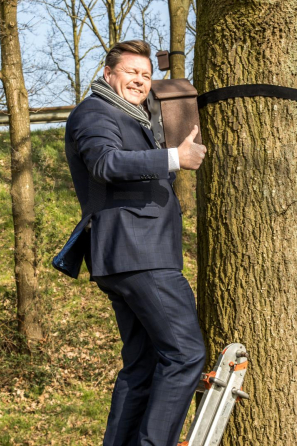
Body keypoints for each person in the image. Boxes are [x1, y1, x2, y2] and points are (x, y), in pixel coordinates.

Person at [54, 40, 208, 446]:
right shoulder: (95, 112)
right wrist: (173, 157)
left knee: (141, 367)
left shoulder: (133, 118)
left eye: (145, 74)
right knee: (185, 355)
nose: (140, 81)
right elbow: (105, 163)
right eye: (131, 73)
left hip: (133, 255)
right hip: (138, 255)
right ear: (109, 75)